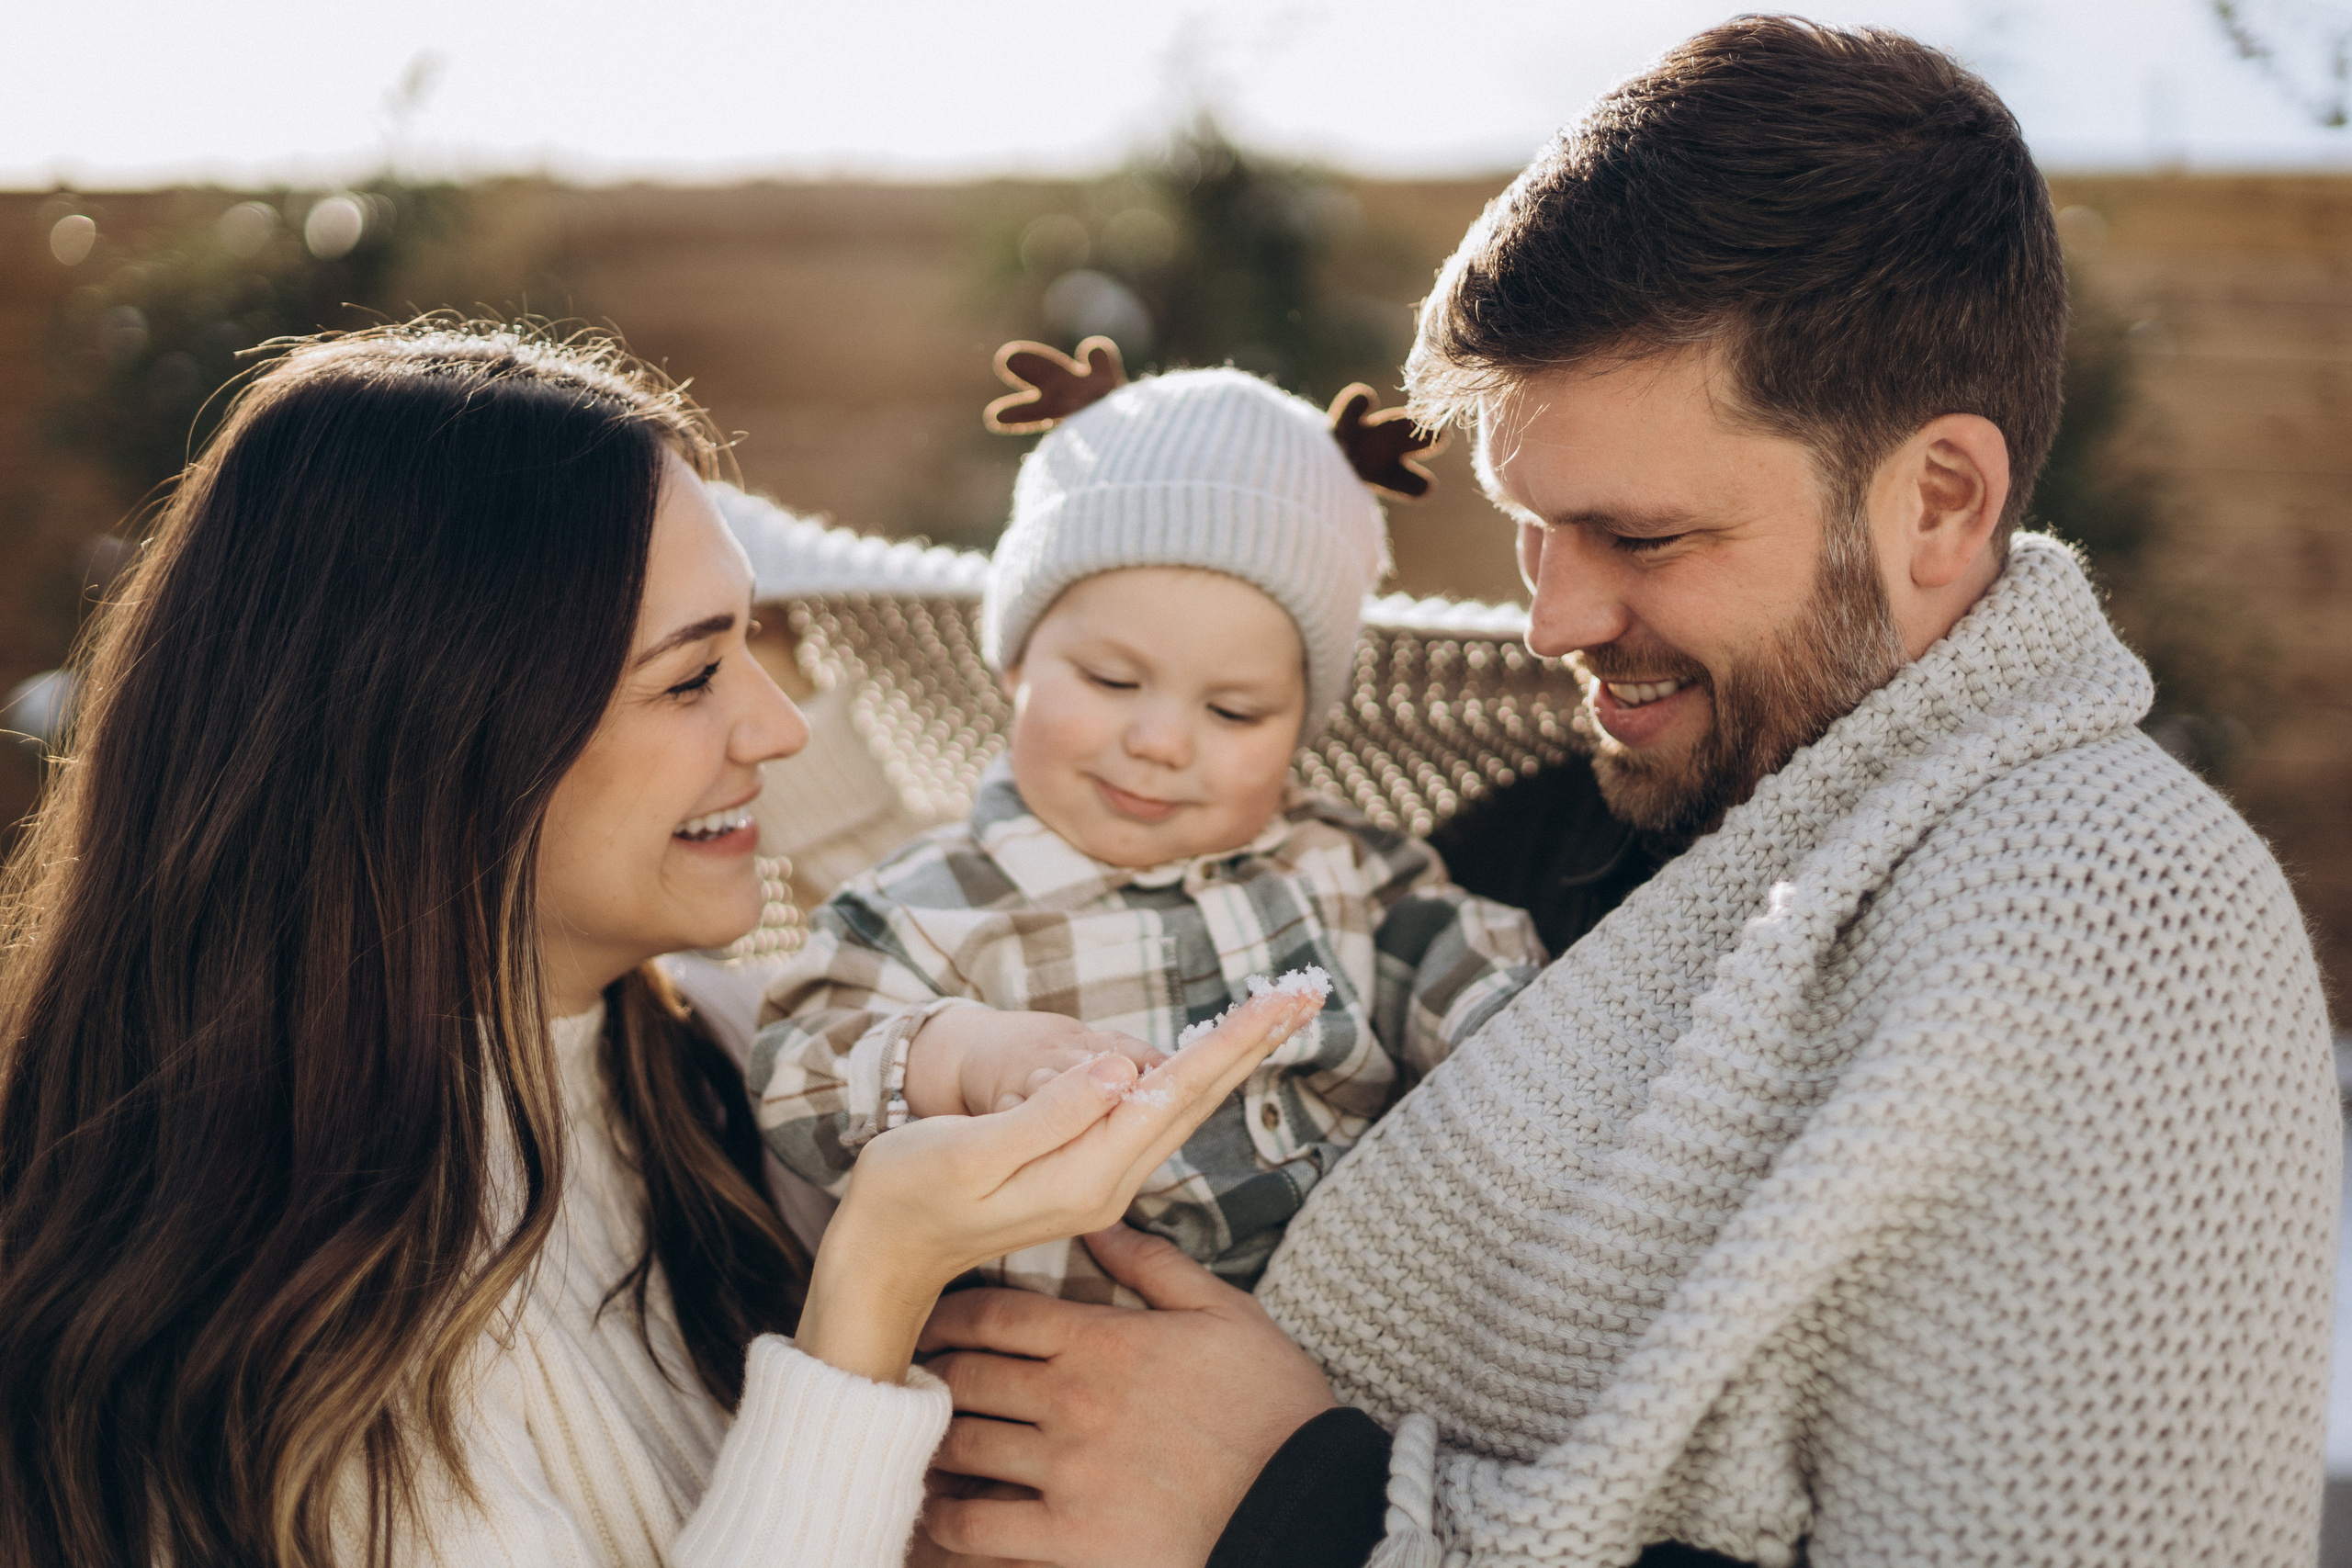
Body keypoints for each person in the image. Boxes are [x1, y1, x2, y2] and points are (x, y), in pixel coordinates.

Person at [911, 20, 2340, 1567]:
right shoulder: (1530, 837)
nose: (1555, 621)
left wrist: (1298, 1507)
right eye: (1533, 528)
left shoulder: (2122, 921)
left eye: (1642, 540)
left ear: (1939, 501)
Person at [0, 322, 1321, 1568]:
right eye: (692, 676)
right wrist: (877, 1274)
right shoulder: (264, 1355)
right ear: (442, 730)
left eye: (752, 644)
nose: (775, 727)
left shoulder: (729, 1058)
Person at [751, 364, 1544, 1304]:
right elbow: (798, 1071)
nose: (1161, 742)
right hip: (1046, 1369)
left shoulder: (1346, 872)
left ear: (1301, 730)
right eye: (1112, 682)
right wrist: (960, 1057)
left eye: (1236, 711)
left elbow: (1489, 987)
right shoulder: (925, 904)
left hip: (1336, 1353)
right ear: (1015, 665)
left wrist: (1523, 1066)